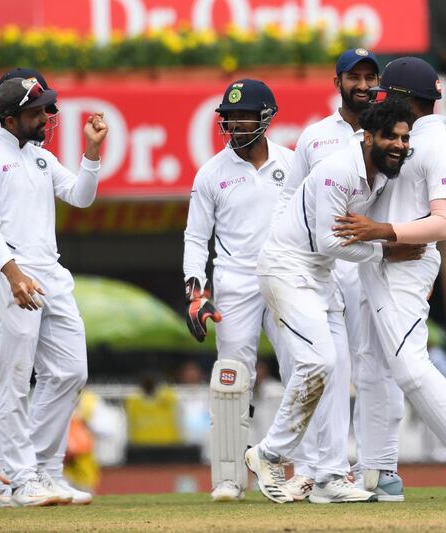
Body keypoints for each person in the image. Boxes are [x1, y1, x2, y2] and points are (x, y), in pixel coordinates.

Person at [331, 57, 446, 501]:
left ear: (406, 98)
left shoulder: (437, 144)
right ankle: (377, 473)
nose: (379, 99)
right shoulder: (402, 139)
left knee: (409, 367)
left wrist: (385, 232)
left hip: (405, 264)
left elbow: (445, 225)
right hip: (379, 260)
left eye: (387, 93)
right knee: (370, 367)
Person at [246, 97, 423, 505]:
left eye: (404, 137)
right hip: (287, 269)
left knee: (337, 372)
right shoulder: (336, 171)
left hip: (319, 275)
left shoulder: (380, 173)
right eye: (391, 137)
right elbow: (330, 239)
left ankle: (329, 478)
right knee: (318, 362)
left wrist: (380, 236)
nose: (399, 144)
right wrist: (385, 247)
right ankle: (269, 453)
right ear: (368, 137)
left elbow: (339, 242)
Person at [0, 75, 108, 507]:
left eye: (48, 108)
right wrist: (13, 273)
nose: (48, 116)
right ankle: (14, 479)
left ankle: (42, 472)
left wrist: (92, 154)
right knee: (12, 381)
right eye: (38, 111)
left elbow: (81, 197)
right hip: (7, 276)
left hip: (50, 275)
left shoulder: (40, 157)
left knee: (70, 372)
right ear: (10, 118)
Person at [275, 47, 405, 502]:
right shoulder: (314, 138)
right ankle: (316, 470)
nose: (365, 85)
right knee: (320, 367)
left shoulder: (393, 137)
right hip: (328, 266)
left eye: (372, 76)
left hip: (370, 267)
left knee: (374, 367)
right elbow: (290, 201)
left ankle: (378, 467)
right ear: (339, 83)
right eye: (356, 77)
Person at [182, 79, 295, 502]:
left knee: (302, 369)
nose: (234, 124)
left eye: (243, 115)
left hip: (285, 275)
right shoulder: (211, 172)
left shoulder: (292, 162)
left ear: (265, 117)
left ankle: (293, 469)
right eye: (228, 117)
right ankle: (229, 476)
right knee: (232, 379)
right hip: (234, 282)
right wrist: (196, 291)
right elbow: (196, 238)